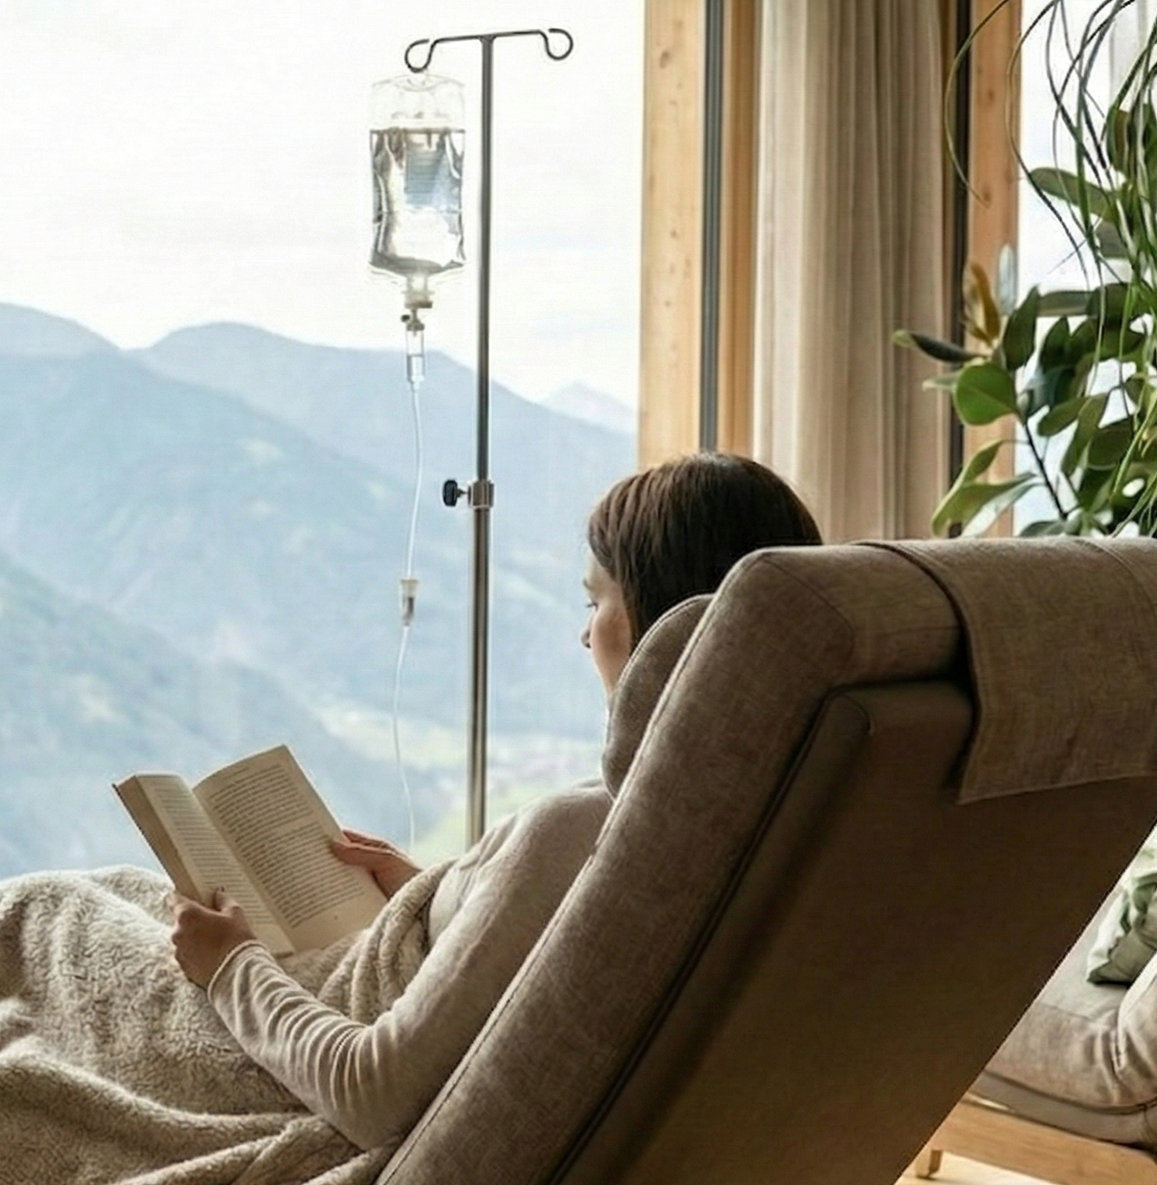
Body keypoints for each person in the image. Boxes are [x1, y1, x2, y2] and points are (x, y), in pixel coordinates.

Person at [166, 451, 823, 1149]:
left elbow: (372, 1091)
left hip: (294, 1041)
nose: (584, 631)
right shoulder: (778, 819)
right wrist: (440, 894)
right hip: (363, 974)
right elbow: (546, 952)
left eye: (595, 599)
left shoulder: (583, 832)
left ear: (664, 623)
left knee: (50, 910)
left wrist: (232, 966)